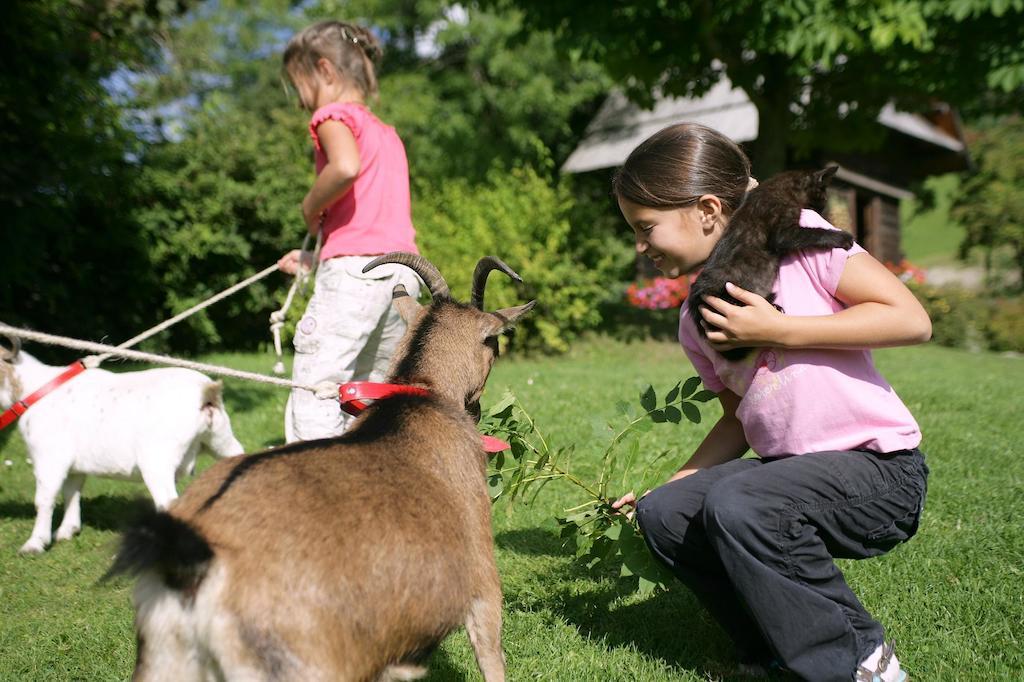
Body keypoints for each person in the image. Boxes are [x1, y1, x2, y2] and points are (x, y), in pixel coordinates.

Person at [610, 123, 930, 682]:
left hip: (879, 473)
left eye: (646, 227)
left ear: (708, 210)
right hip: (784, 480)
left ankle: (860, 663)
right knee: (667, 516)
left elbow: (911, 319)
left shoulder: (798, 237)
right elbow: (738, 417)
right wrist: (672, 483)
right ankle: (774, 654)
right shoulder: (698, 316)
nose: (640, 245)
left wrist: (781, 330)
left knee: (741, 501)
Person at [277, 20, 421, 442]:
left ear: (324, 71)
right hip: (403, 275)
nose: (301, 101)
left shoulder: (332, 116)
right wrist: (313, 258)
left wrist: (310, 206)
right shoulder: (388, 134)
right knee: (372, 391)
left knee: (317, 387)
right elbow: (371, 223)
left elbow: (344, 168)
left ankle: (314, 488)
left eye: (298, 84)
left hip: (355, 274)